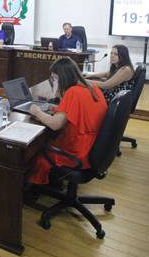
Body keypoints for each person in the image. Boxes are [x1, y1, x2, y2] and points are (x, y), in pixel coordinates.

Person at [26, 57, 107, 185]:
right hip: (94, 147)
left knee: (36, 151)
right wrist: (57, 108)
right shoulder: (93, 87)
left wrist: (37, 112)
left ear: (62, 78)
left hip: (78, 152)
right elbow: (79, 111)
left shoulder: (73, 92)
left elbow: (55, 124)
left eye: (54, 78)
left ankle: (34, 187)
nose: (53, 82)